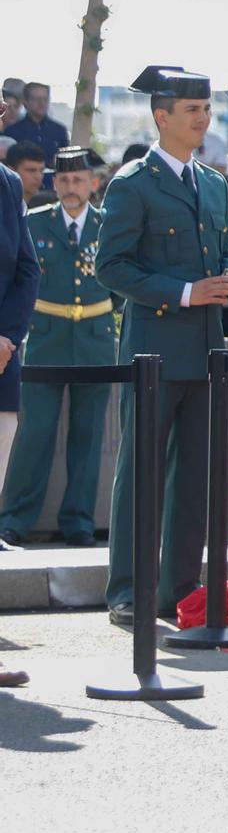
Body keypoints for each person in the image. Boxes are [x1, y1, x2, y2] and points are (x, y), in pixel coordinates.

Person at [96, 68, 228, 626]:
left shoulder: (210, 182)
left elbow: (216, 255)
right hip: (153, 351)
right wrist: (185, 293)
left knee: (196, 479)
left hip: (206, 350)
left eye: (206, 109)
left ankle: (179, 590)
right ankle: (128, 591)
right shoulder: (132, 183)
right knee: (142, 472)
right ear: (162, 118)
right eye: (192, 111)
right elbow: (111, 266)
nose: (203, 119)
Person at [0, 146, 113, 547]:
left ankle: (79, 521)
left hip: (96, 342)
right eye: (63, 180)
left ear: (93, 183)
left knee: (88, 435)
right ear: (53, 183)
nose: (70, 187)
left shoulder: (108, 225)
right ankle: (14, 519)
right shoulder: (35, 222)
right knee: (34, 434)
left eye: (78, 179)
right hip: (46, 338)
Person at [0, 155, 37, 555]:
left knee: (2, 431)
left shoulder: (8, 183)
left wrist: (5, 337)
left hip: (3, 349)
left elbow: (27, 270)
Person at [12, 83, 69, 173]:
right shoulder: (13, 131)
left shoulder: (59, 130)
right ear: (25, 102)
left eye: (45, 99)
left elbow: (66, 163)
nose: (41, 103)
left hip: (52, 183)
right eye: (36, 99)